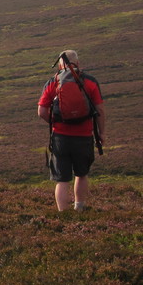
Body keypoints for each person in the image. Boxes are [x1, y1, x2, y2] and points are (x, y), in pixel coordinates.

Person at [37, 50, 106, 211]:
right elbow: (100, 110)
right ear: (78, 63)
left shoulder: (53, 82)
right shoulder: (90, 82)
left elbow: (41, 111)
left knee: (62, 179)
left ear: (60, 64)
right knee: (81, 174)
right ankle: (79, 208)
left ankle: (63, 213)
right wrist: (101, 133)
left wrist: (55, 122)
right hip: (84, 136)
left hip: (60, 137)